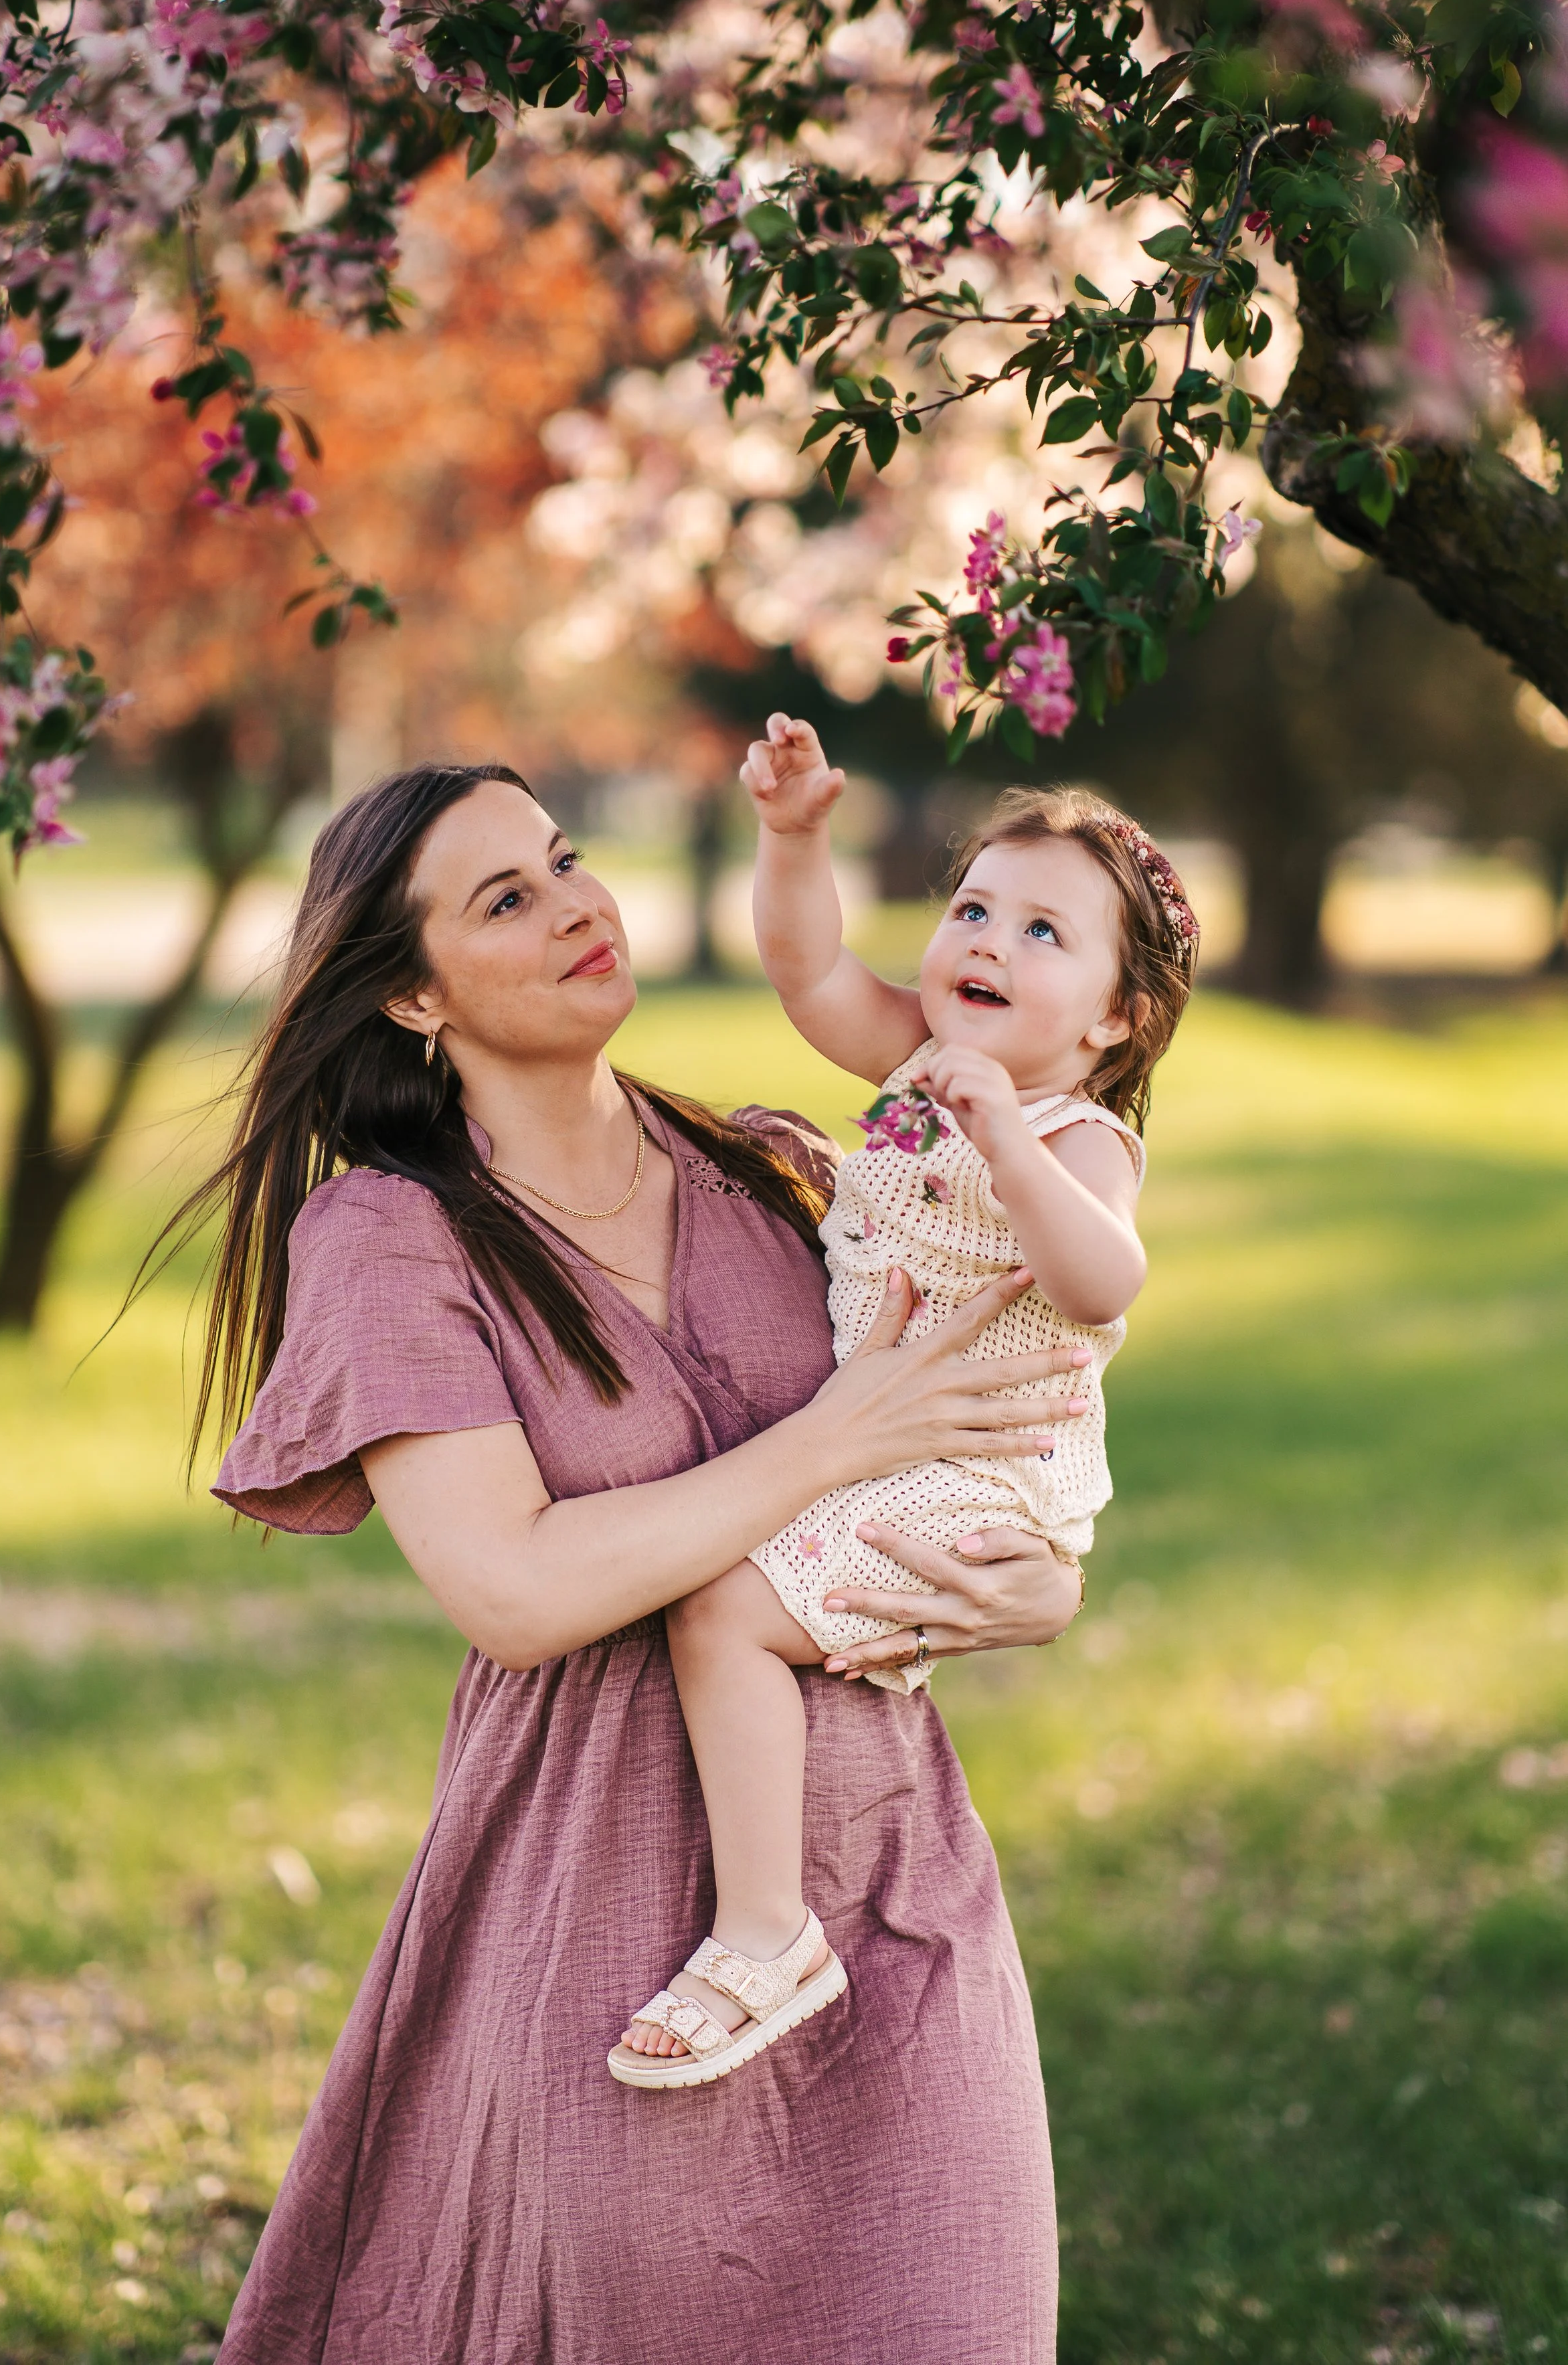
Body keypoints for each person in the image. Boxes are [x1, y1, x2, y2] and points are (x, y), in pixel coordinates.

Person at [191, 760, 1085, 2365]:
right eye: (505, 901)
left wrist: (1036, 1581)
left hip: (897, 1879)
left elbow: (995, 1400)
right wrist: (832, 1441)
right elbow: (514, 1592)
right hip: (609, 1911)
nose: (577, 908)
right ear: (408, 994)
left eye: (564, 859)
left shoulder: (778, 1173)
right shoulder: (392, 1241)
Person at [614, 724, 1199, 2089]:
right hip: (891, 1434)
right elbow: (806, 967)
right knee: (710, 1597)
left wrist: (1006, 1134)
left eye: (1044, 931)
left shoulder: (1074, 1137)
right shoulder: (918, 1061)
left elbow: (1103, 1281)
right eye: (972, 909)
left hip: (980, 1473)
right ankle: (763, 1917)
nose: (986, 941)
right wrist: (795, 835)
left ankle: (767, 1932)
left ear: (1114, 1019)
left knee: (719, 1617)